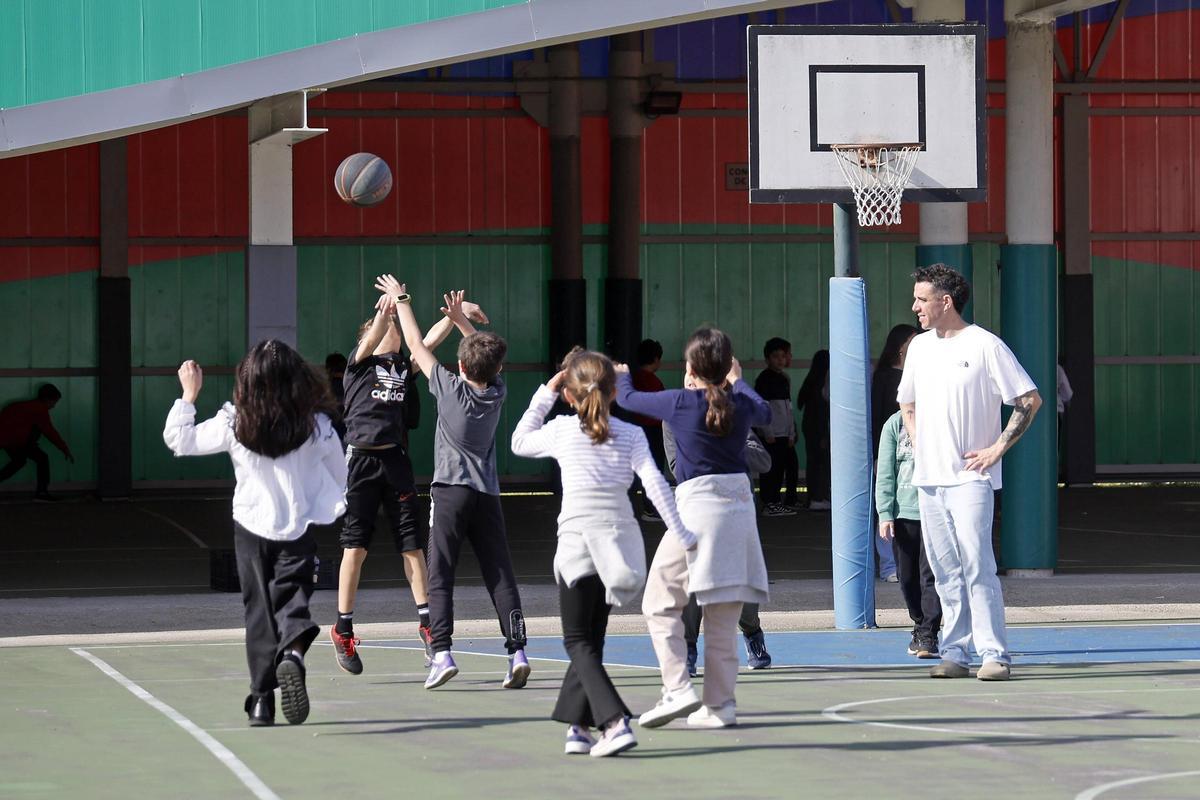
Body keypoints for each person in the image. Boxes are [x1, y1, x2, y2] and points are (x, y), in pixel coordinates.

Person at [511, 348, 696, 757]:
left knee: (577, 640)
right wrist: (683, 534)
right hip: (619, 550)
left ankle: (614, 722)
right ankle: (578, 727)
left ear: (570, 396)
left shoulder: (561, 430)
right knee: (591, 640)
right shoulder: (630, 435)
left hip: (578, 545)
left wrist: (548, 389)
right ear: (614, 393)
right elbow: (657, 487)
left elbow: (519, 440)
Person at [163, 341, 346, 726]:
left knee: (258, 611)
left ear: (248, 381)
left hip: (249, 528)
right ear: (298, 379)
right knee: (294, 603)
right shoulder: (318, 426)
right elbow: (341, 476)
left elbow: (180, 440)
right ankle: (293, 656)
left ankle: (261, 701)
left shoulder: (234, 422)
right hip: (297, 528)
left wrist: (188, 395)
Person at [617, 327, 771, 729]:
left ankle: (676, 687)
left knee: (658, 600)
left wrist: (619, 375)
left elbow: (629, 398)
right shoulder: (738, 402)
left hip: (697, 511)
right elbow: (766, 413)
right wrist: (738, 381)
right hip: (739, 514)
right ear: (727, 367)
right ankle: (720, 706)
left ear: (690, 367)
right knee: (722, 617)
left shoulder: (680, 403)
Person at [330, 281, 483, 676]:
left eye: (397, 327)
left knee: (412, 547)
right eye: (389, 328)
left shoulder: (402, 365)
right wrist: (389, 308)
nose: (396, 330)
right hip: (361, 463)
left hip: (395, 462)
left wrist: (457, 315)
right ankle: (343, 628)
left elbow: (428, 337)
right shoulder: (360, 362)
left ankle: (428, 626)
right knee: (356, 548)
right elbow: (378, 329)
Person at [898, 264, 1041, 681]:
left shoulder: (985, 346)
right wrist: (920, 441)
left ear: (945, 302)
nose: (915, 306)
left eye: (922, 299)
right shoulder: (920, 348)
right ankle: (955, 652)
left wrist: (998, 448)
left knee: (977, 564)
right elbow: (907, 403)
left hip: (971, 480)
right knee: (944, 571)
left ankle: (994, 653)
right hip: (930, 481)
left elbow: (1029, 400)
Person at [393, 279, 530, 690]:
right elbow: (486, 361)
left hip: (450, 492)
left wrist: (403, 298)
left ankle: (443, 653)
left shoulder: (450, 389)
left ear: (462, 369)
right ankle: (518, 650)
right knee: (500, 571)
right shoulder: (498, 391)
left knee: (440, 574)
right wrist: (462, 323)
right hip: (486, 494)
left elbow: (416, 345)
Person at [670, 418, 774, 673]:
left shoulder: (731, 415)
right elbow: (676, 466)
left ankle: (752, 632)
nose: (695, 386)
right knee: (694, 581)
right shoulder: (673, 418)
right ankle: (689, 649)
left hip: (735, 512)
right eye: (691, 380)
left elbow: (763, 460)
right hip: (697, 512)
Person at [876, 408, 941, 659]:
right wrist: (885, 512)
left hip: (934, 510)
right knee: (907, 577)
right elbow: (885, 471)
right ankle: (919, 622)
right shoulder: (894, 424)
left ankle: (929, 634)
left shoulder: (940, 416)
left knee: (930, 576)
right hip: (904, 514)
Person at [871, 324, 921, 582]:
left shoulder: (920, 373)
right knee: (886, 504)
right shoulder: (884, 377)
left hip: (917, 450)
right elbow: (879, 416)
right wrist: (879, 454)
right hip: (893, 447)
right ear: (900, 346)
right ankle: (889, 565)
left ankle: (905, 565)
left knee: (911, 507)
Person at [0, 384, 74, 501]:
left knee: (19, 461)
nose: (54, 406)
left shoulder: (20, 406)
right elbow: (49, 432)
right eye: (53, 402)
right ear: (47, 400)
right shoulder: (40, 410)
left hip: (6, 439)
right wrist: (64, 448)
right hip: (16, 441)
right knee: (42, 458)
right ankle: (42, 492)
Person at [755, 337, 799, 516]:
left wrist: (791, 433)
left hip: (784, 434)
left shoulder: (783, 378)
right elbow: (762, 407)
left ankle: (781, 500)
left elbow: (788, 408)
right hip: (772, 434)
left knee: (787, 467)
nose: (780, 360)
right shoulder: (764, 379)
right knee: (771, 469)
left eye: (783, 356)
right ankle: (769, 502)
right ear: (767, 359)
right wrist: (767, 431)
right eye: (775, 356)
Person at [629, 338, 668, 522]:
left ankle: (644, 507)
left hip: (637, 428)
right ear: (655, 359)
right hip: (652, 430)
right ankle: (651, 508)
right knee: (654, 469)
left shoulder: (633, 378)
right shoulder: (652, 381)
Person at [796, 350, 831, 511]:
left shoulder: (811, 380)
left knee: (813, 462)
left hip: (809, 427)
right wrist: (824, 435)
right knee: (821, 463)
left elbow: (800, 403)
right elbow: (822, 413)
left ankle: (814, 497)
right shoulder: (822, 385)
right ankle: (818, 497)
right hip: (818, 429)